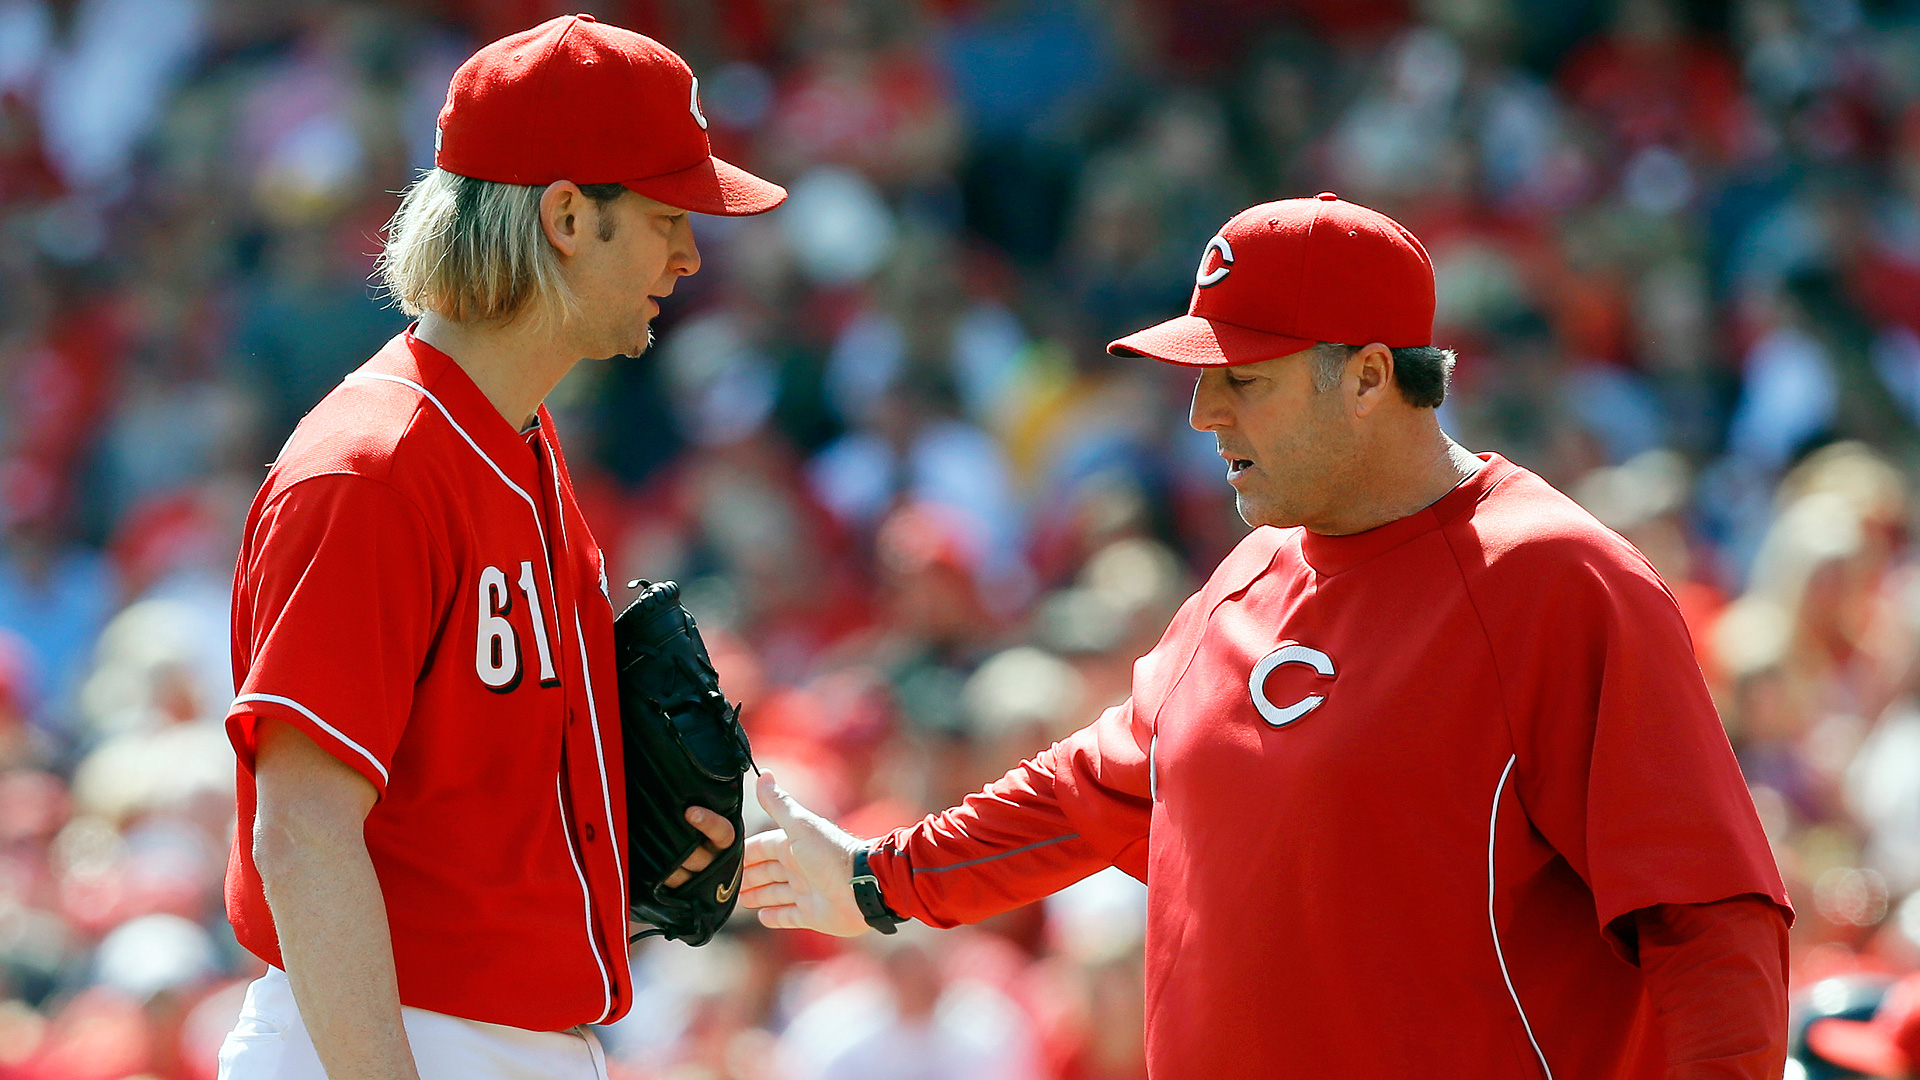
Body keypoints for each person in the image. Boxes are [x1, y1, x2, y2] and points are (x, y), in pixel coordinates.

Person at [743, 194, 1794, 1080]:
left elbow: (1709, 920)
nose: (1204, 414)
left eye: (1244, 377)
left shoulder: (1554, 580)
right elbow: (1095, 792)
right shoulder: (1247, 572)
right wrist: (882, 879)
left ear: (1374, 377)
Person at [217, 16, 785, 1080]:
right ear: (569, 215)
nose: (691, 252)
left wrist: (610, 853)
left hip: (505, 1039)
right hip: (383, 1041)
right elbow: (300, 831)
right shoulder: (371, 467)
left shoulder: (518, 438)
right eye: (667, 215)